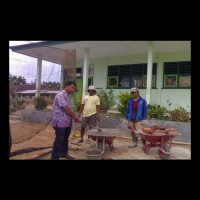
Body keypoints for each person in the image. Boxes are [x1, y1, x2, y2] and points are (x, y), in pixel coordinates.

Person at [51, 81, 80, 160]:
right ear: (66, 86)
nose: (73, 90)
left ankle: (64, 154)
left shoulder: (67, 96)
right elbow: (65, 108)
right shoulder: (60, 95)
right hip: (60, 122)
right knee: (59, 140)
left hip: (67, 122)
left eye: (74, 88)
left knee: (65, 139)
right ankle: (55, 157)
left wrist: (73, 117)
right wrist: (74, 117)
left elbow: (69, 108)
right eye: (72, 87)